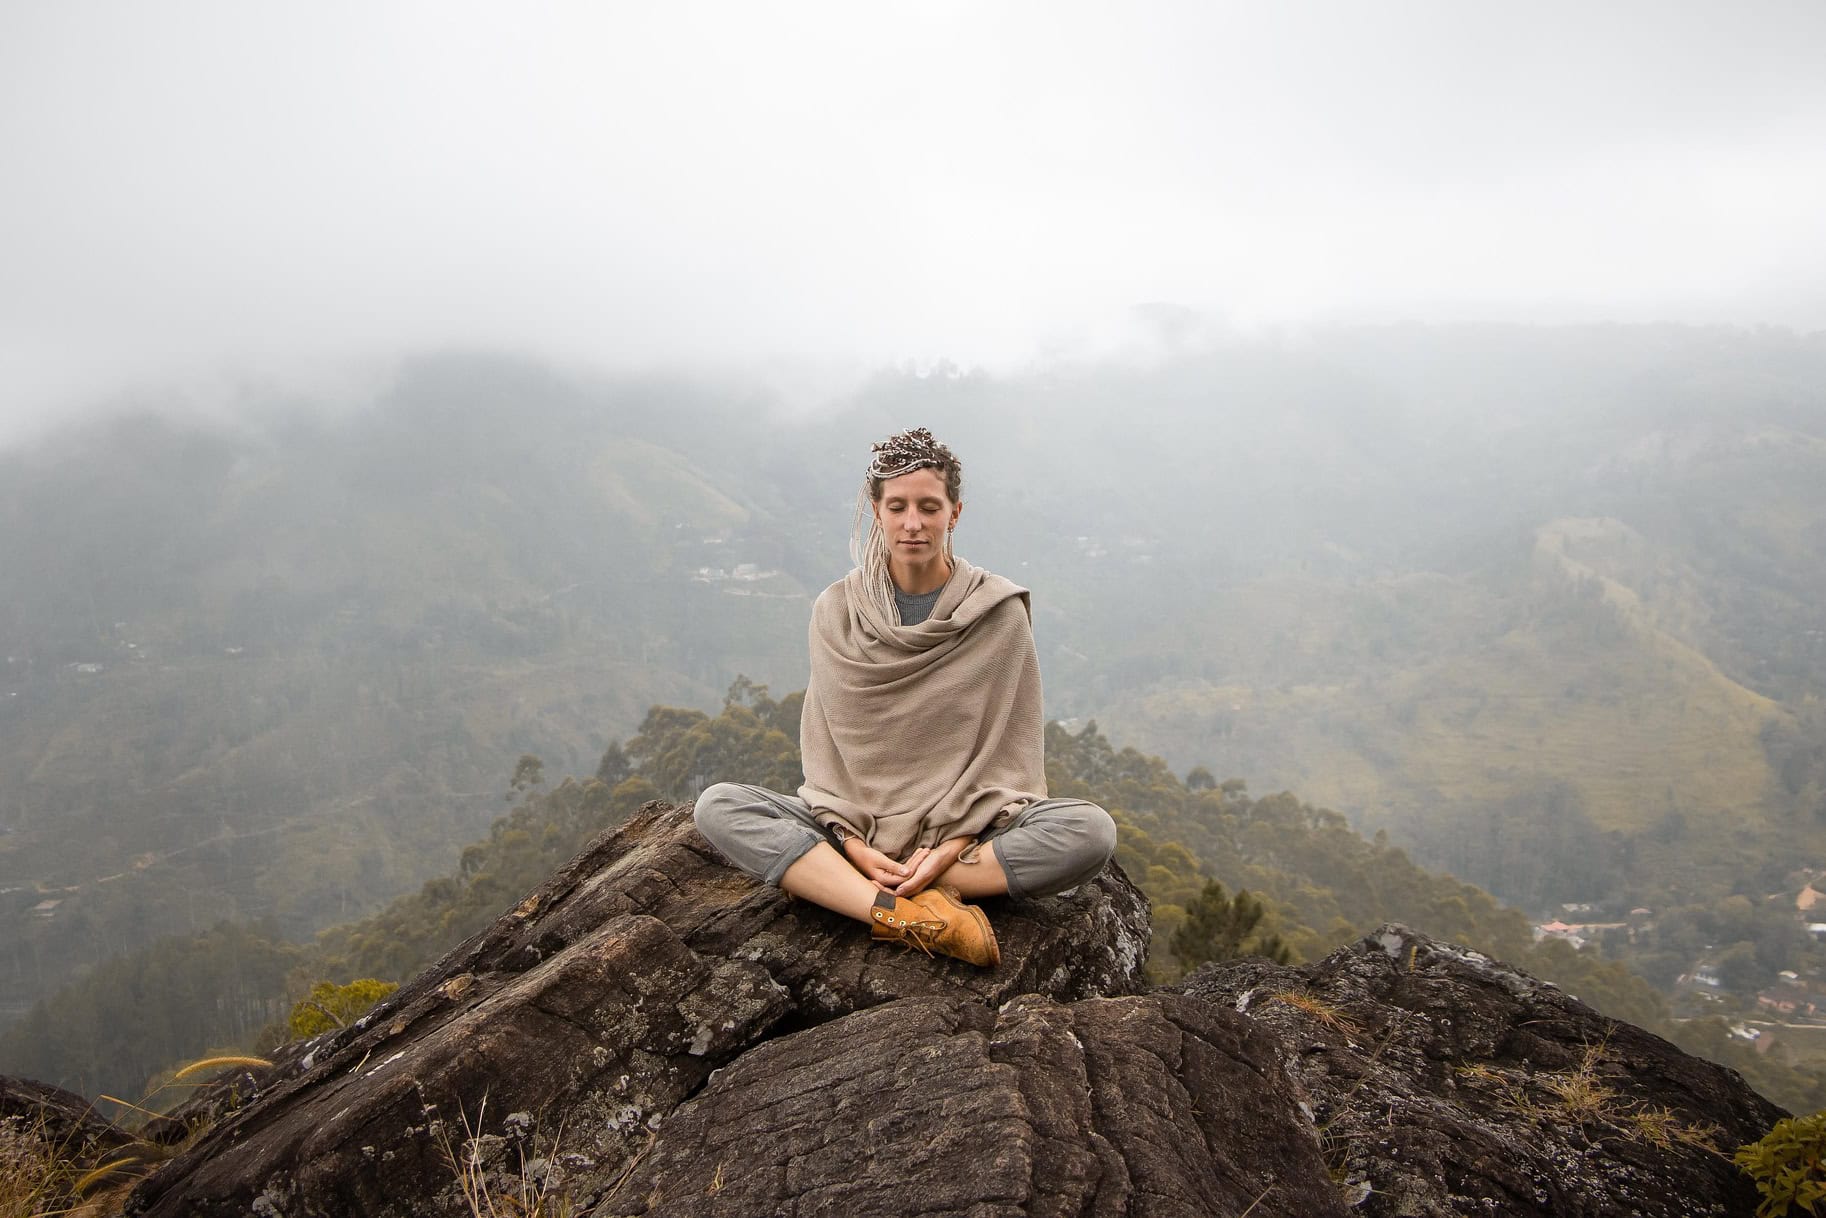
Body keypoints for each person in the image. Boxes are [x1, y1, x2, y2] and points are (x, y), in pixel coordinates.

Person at [694, 427, 1117, 967]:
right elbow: (831, 751)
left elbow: (1007, 754)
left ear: (954, 513)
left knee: (1089, 832)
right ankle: (904, 913)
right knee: (720, 807)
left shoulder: (996, 613)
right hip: (856, 824)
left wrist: (944, 849)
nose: (912, 523)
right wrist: (851, 842)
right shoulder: (838, 610)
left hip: (962, 833)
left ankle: (869, 890)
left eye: (927, 507)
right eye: (897, 507)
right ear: (878, 513)